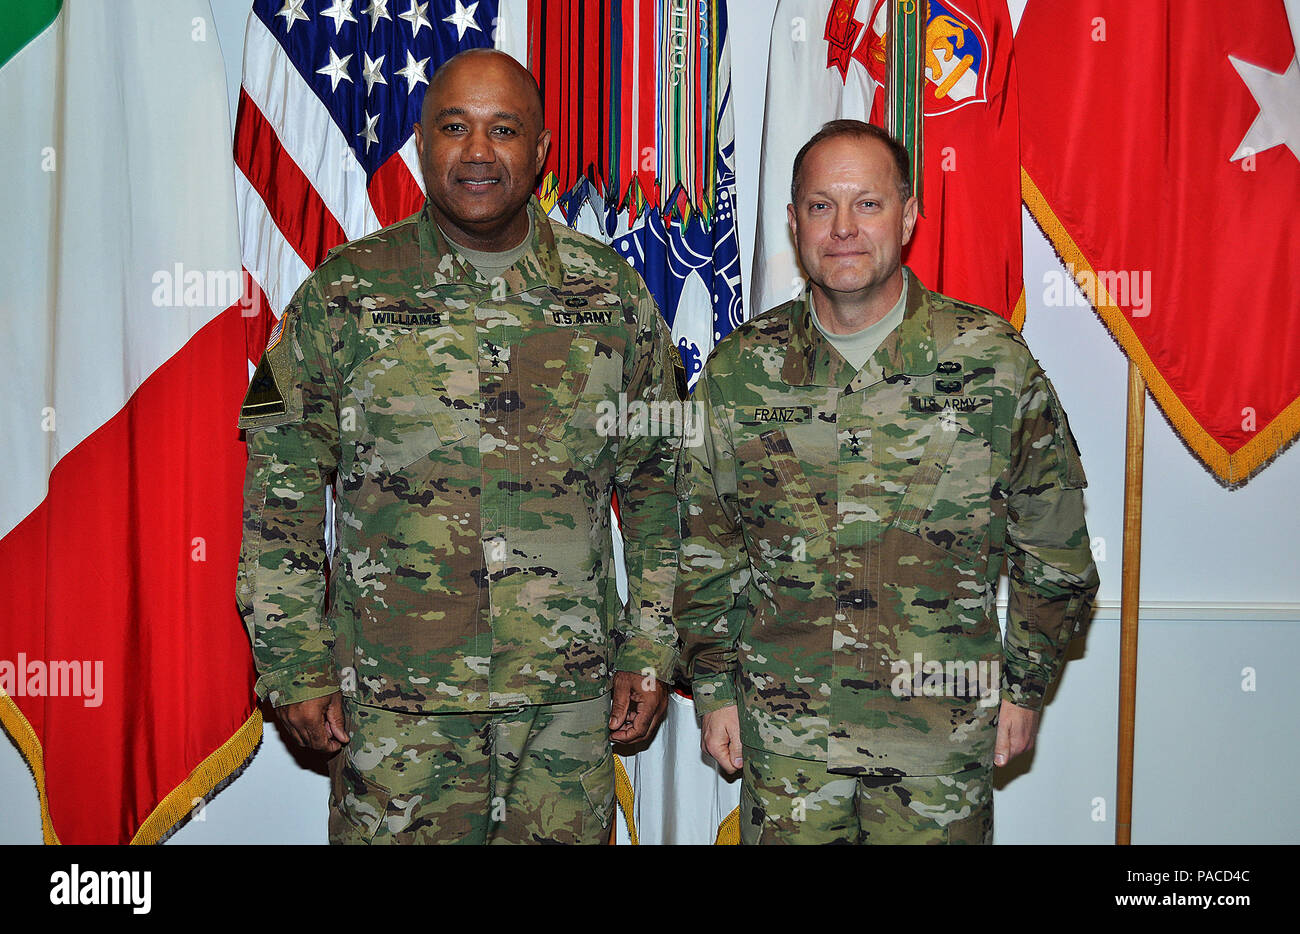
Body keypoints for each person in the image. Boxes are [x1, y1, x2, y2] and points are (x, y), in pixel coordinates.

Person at [236, 48, 685, 844]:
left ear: (540, 151)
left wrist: (649, 646)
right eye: (455, 128)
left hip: (565, 713)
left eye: (503, 129)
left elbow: (662, 490)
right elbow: (282, 494)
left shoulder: (610, 294)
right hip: (395, 711)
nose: (478, 153)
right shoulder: (344, 295)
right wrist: (295, 661)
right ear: (420, 145)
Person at [674, 120, 1100, 844]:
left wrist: (1026, 690)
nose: (843, 228)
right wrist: (714, 687)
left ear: (907, 216)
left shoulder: (993, 365)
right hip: (789, 747)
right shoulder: (738, 373)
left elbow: (1054, 553)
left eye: (867, 204)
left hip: (937, 744)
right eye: (820, 206)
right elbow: (703, 549)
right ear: (793, 221)